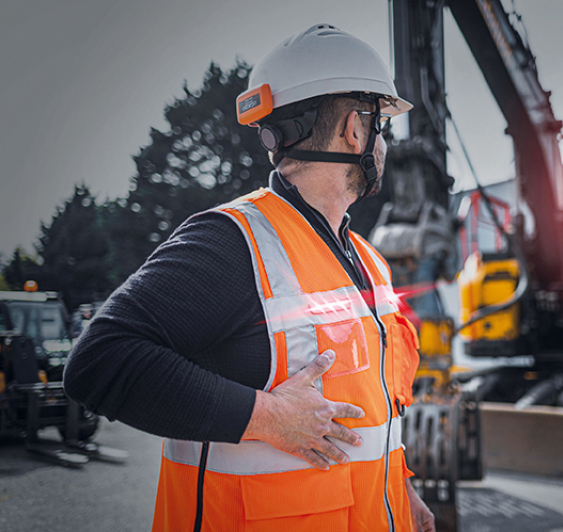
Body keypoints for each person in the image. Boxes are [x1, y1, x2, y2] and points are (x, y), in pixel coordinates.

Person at [64, 23, 435, 532]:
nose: (382, 143)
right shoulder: (232, 243)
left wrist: (403, 490)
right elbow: (98, 362)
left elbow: (378, 414)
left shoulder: (369, 261)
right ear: (356, 127)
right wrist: (265, 417)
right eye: (381, 126)